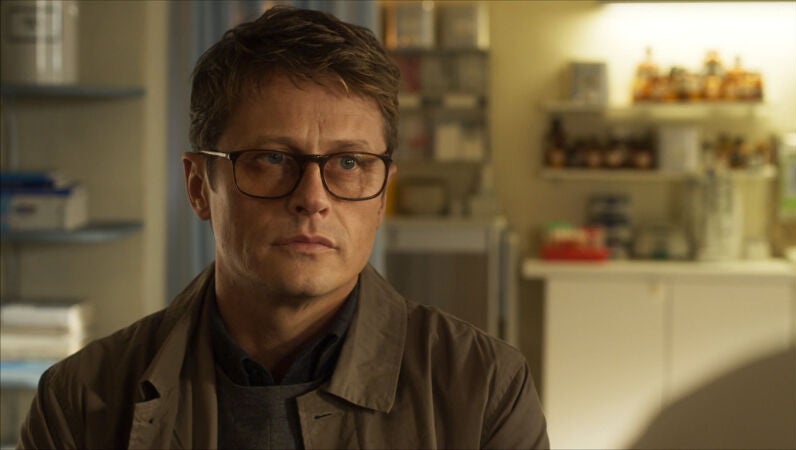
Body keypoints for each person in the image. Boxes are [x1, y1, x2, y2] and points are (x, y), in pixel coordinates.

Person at [18, 6, 548, 449]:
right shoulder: (79, 403)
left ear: (382, 194)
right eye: (272, 159)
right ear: (199, 186)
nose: (312, 199)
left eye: (349, 162)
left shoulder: (485, 390)